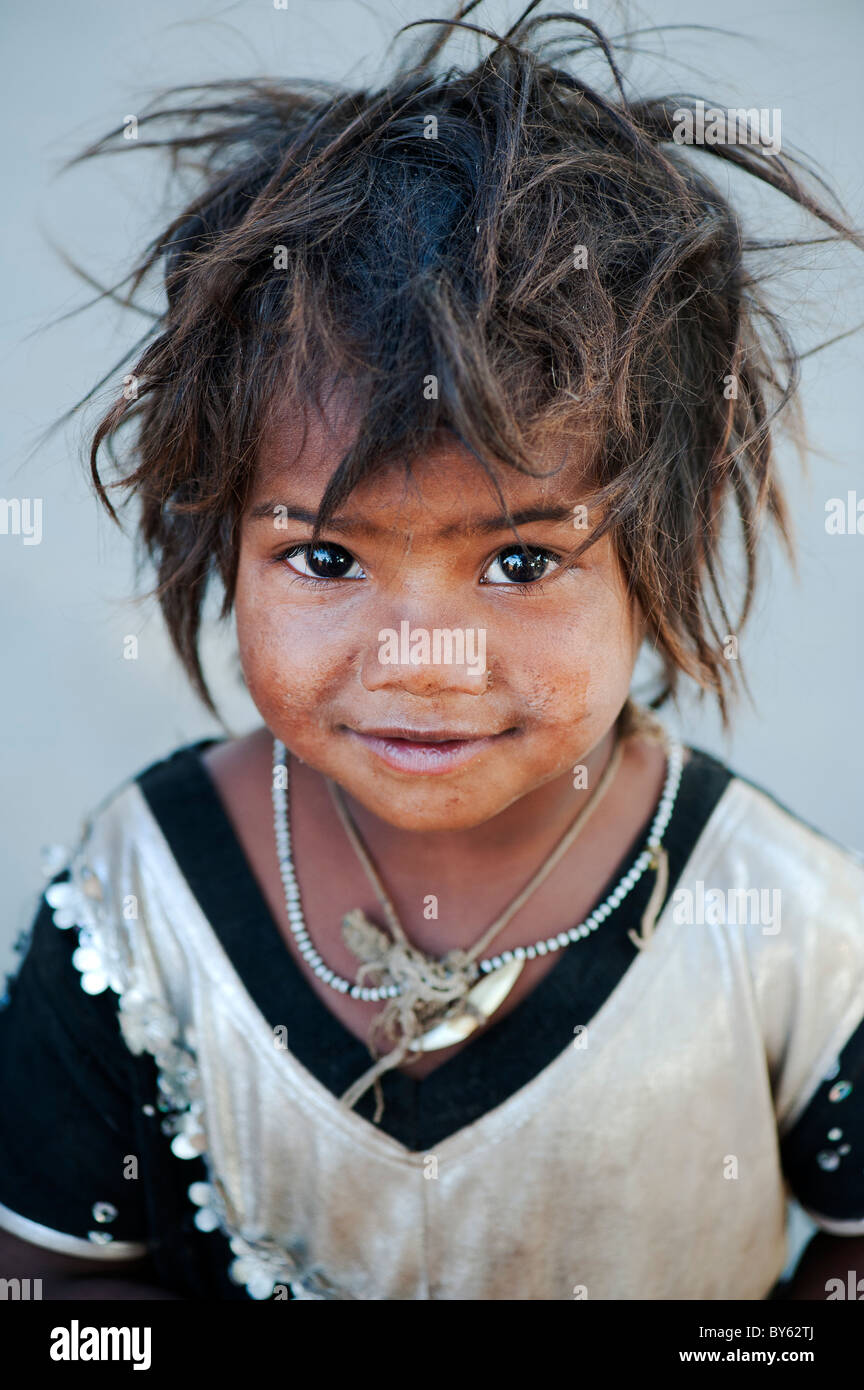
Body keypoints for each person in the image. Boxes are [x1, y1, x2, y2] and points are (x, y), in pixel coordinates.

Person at [1, 2, 862, 1301]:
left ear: (658, 556)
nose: (425, 656)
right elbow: (53, 1292)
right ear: (218, 537)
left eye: (520, 561)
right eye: (328, 558)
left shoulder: (780, 922)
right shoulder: (138, 902)